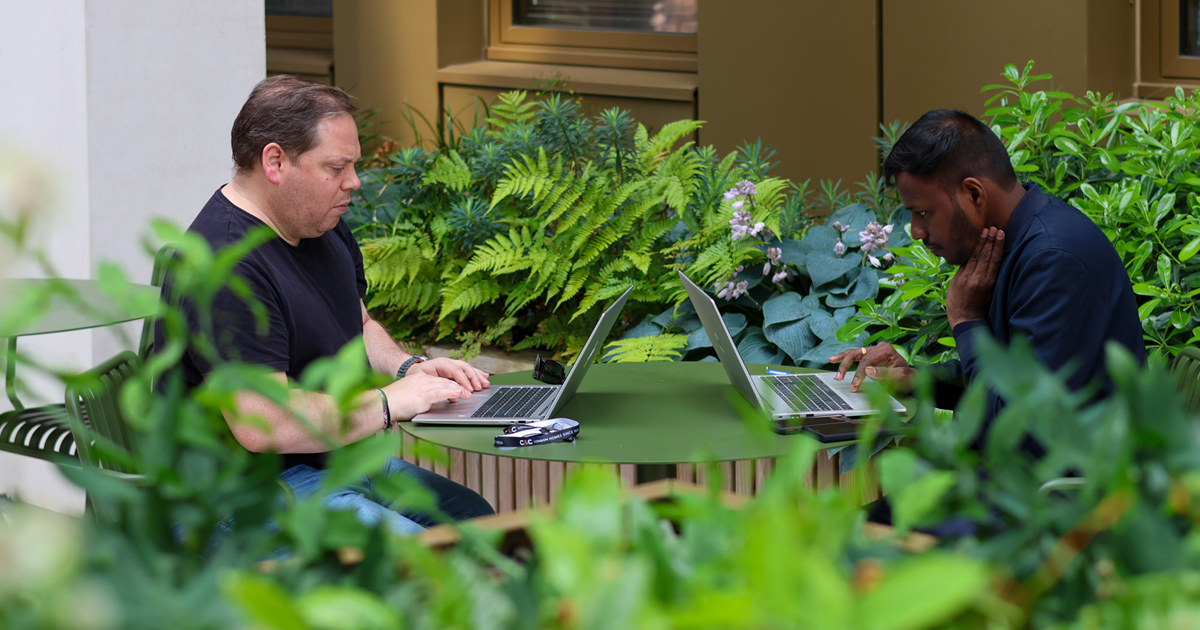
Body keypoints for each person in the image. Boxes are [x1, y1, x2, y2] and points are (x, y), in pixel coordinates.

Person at [157, 75, 494, 534]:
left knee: (476, 522)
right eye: (336, 168)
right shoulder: (224, 268)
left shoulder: (318, 223)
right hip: (241, 492)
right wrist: (389, 402)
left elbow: (359, 321)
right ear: (275, 161)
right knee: (417, 559)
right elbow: (265, 424)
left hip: (329, 462)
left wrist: (407, 368)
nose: (354, 183)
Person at [828, 108, 1145, 445]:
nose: (916, 231)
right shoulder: (1020, 242)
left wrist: (966, 320)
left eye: (923, 212)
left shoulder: (1054, 262)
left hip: (1063, 492)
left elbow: (1019, 431)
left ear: (974, 193)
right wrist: (916, 379)